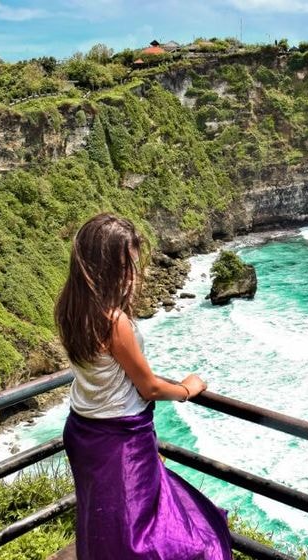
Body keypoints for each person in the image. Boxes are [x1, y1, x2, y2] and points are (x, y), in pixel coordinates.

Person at [55, 213, 233, 559]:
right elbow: (149, 388)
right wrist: (186, 388)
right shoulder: (113, 321)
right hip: (119, 437)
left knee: (106, 523)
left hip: (82, 429)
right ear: (104, 267)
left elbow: (107, 372)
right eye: (125, 266)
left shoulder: (69, 305)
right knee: (142, 534)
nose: (132, 275)